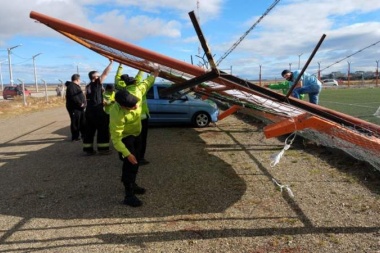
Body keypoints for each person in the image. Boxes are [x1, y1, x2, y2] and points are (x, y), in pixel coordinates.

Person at [110, 68, 159, 207]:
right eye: (132, 106)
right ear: (122, 106)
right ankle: (128, 195)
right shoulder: (116, 114)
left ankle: (133, 184)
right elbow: (116, 138)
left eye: (136, 102)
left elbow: (147, 82)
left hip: (137, 135)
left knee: (136, 163)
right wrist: (126, 153)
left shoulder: (136, 91)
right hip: (126, 138)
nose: (136, 106)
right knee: (130, 164)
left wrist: (155, 72)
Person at [115, 63, 151, 165]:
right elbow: (142, 79)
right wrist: (144, 68)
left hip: (127, 119)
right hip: (141, 118)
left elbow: (117, 78)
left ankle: (127, 156)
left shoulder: (121, 88)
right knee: (141, 141)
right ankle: (139, 158)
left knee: (128, 139)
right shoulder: (138, 88)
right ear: (135, 82)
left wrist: (120, 66)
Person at [83, 59, 113, 155]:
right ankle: (103, 149)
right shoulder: (96, 83)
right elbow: (105, 73)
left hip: (89, 111)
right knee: (103, 130)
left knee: (89, 131)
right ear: (95, 77)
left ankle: (88, 150)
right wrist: (111, 63)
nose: (100, 76)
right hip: (97, 111)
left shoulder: (87, 86)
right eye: (98, 75)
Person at [65, 74, 86, 141]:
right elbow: (74, 97)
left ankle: (83, 135)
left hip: (79, 108)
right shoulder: (71, 87)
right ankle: (75, 137)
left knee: (82, 121)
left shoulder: (75, 86)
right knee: (75, 122)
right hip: (75, 108)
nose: (80, 81)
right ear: (77, 79)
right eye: (79, 79)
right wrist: (80, 103)